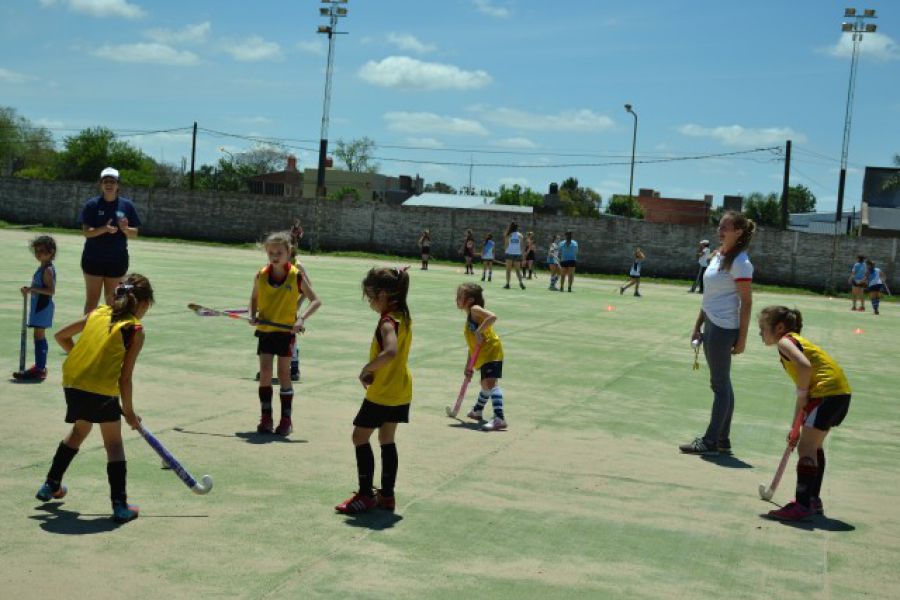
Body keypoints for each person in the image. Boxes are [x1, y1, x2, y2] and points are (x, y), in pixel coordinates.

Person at [34, 274, 154, 524]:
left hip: (73, 383)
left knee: (80, 430)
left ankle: (51, 484)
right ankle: (120, 506)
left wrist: (85, 361)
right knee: (113, 444)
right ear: (143, 304)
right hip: (100, 389)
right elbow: (124, 379)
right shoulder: (134, 329)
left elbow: (61, 336)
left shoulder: (98, 313)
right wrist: (130, 413)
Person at [757, 306, 851, 521]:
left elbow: (805, 368)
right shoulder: (796, 342)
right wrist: (794, 429)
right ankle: (812, 500)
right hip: (840, 393)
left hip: (826, 394)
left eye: (762, 328)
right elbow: (803, 398)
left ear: (779, 327)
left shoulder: (785, 342)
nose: (760, 333)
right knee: (813, 446)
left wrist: (801, 392)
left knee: (806, 448)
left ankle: (801, 505)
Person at [335, 267, 412, 515]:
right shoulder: (403, 315)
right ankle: (387, 496)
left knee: (359, 437)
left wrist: (367, 368)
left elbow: (390, 352)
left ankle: (365, 494)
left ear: (384, 294)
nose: (369, 302)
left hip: (383, 392)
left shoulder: (388, 322)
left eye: (370, 297)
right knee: (387, 439)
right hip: (401, 388)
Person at [680, 211, 756, 455]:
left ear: (739, 232)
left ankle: (711, 440)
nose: (720, 230)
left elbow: (747, 302)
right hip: (711, 324)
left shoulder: (740, 262)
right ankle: (722, 439)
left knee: (720, 386)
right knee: (724, 384)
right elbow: (708, 297)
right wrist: (697, 325)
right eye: (719, 225)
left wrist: (742, 338)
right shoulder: (717, 256)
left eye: (726, 226)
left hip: (724, 328)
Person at [249, 232, 321, 436]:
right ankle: (266, 418)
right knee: (264, 373)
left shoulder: (296, 275)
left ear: (288, 252)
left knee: (283, 374)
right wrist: (252, 314)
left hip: (285, 333)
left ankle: (286, 420)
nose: (274, 256)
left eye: (279, 252)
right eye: (270, 252)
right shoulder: (261, 275)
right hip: (266, 331)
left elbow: (315, 300)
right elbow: (254, 298)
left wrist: (301, 319)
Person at [78, 167, 141, 315]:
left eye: (112, 181)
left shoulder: (127, 206)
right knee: (92, 301)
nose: (109, 184)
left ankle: (110, 335)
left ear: (118, 185)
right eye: (105, 181)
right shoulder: (92, 205)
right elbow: (87, 232)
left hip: (117, 260)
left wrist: (125, 229)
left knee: (113, 301)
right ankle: (89, 335)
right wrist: (104, 229)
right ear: (100, 184)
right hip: (93, 258)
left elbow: (135, 233)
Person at [457, 283, 507, 431]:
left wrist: (479, 331)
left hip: (491, 351)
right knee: (485, 384)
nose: (457, 299)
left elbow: (492, 316)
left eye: (460, 297)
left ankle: (499, 418)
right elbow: (472, 345)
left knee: (490, 384)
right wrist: (468, 365)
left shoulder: (474, 309)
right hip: (483, 355)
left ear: (470, 300)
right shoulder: (469, 316)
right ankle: (477, 410)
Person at [14, 235, 57, 381]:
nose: (38, 254)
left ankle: (40, 368)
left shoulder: (48, 270)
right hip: (38, 307)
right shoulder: (43, 267)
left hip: (42, 307)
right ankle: (39, 366)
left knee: (39, 335)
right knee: (38, 335)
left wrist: (32, 289)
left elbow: (51, 291)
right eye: (36, 251)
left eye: (42, 251)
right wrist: (30, 290)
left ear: (51, 252)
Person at [503, 222, 526, 290]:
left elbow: (506, 245)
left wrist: (505, 251)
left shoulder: (508, 235)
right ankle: (521, 282)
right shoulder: (520, 235)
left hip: (509, 253)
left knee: (508, 270)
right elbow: (522, 246)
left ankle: (507, 284)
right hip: (517, 254)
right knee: (518, 270)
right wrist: (523, 256)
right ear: (517, 228)